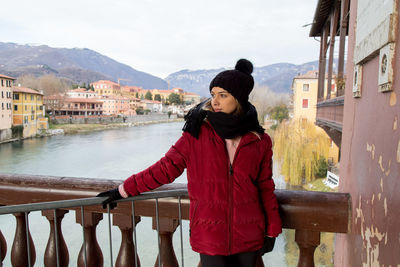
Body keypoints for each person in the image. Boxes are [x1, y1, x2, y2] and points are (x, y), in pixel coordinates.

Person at [97, 59, 282, 267]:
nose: (215, 101)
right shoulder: (196, 134)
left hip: (250, 234)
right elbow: (164, 169)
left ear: (239, 98)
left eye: (223, 95)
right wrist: (123, 190)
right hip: (209, 235)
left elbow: (265, 187)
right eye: (213, 95)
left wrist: (272, 229)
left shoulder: (259, 140)